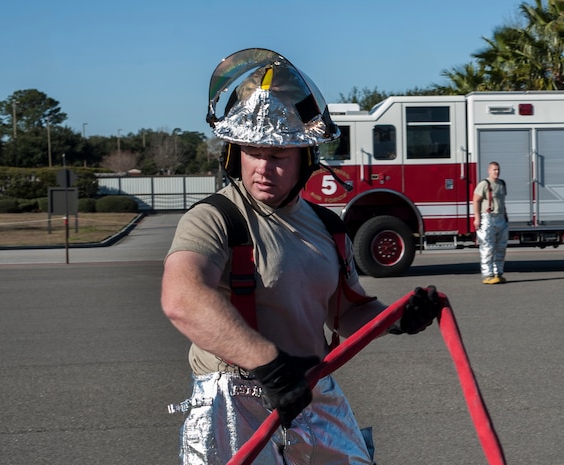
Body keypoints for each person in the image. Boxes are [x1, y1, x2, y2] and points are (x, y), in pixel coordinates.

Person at [161, 48, 442, 465]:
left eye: (278, 156)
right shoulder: (215, 219)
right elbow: (182, 300)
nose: (262, 167)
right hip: (235, 397)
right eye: (252, 152)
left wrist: (398, 318)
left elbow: (346, 313)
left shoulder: (328, 228)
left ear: (305, 159)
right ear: (233, 154)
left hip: (309, 388)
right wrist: (268, 364)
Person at [473, 161, 508, 284]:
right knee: (487, 247)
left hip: (501, 218)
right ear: (489, 170)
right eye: (494, 170)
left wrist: (505, 216)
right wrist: (477, 218)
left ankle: (498, 273)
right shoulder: (484, 184)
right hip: (487, 217)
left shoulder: (501, 184)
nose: (496, 172)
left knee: (501, 248)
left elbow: (502, 202)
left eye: (498, 169)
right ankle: (487, 275)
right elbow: (476, 200)